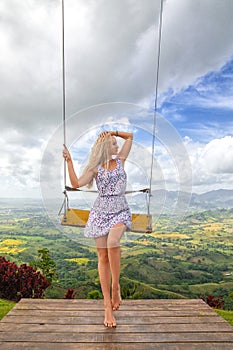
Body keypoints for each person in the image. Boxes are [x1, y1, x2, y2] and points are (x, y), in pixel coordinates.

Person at [63, 130, 133, 328]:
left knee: (113, 243)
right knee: (102, 258)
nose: (117, 146)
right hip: (100, 214)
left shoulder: (121, 160)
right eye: (113, 144)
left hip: (119, 211)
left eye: (115, 144)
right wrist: (69, 162)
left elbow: (130, 137)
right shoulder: (95, 169)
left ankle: (116, 286)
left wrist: (113, 133)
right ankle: (107, 307)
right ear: (105, 147)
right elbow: (76, 184)